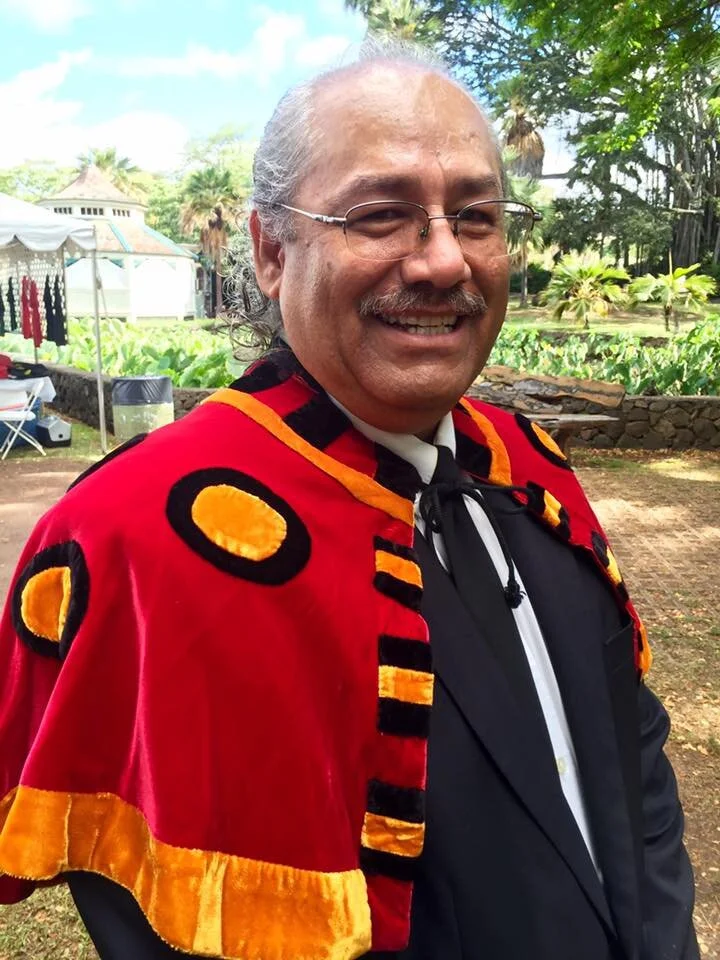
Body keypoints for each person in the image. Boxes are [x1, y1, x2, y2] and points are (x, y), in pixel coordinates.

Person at [0, 38, 698, 960]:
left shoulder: (532, 470)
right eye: (381, 215)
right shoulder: (131, 535)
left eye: (476, 216)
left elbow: (633, 766)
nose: (443, 260)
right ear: (270, 251)